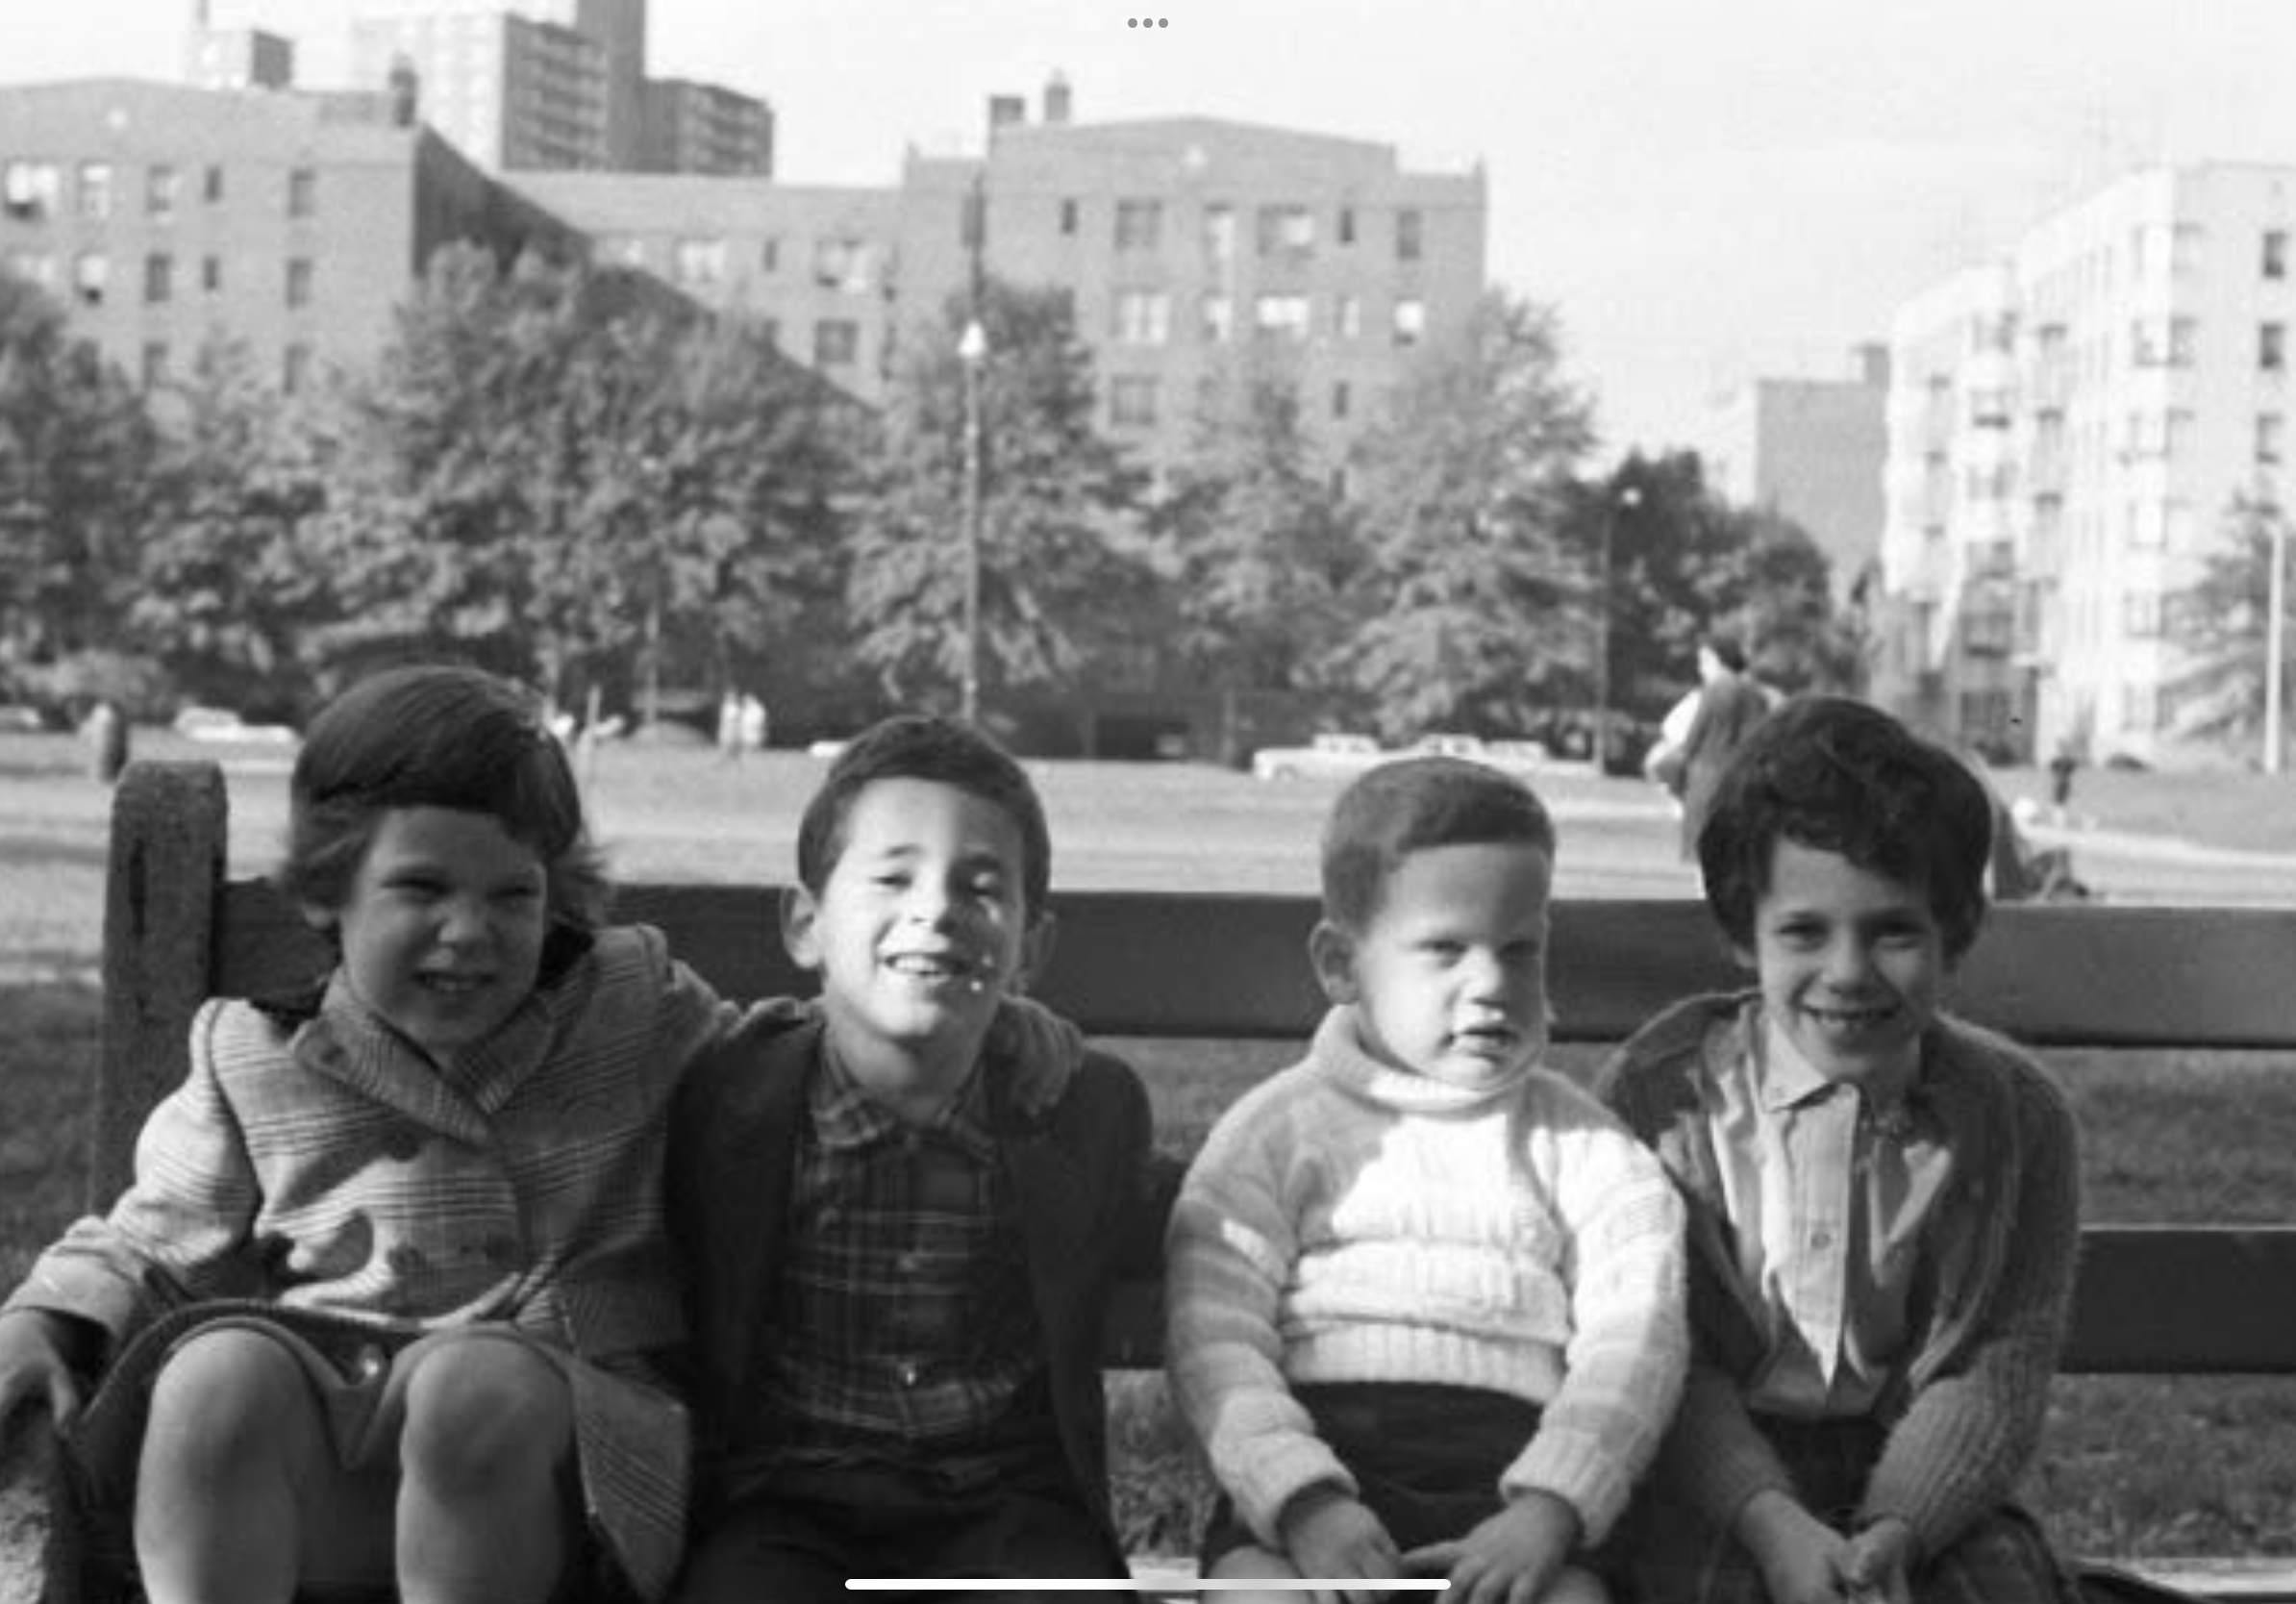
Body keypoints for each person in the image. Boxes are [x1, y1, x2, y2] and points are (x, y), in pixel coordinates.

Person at [0, 664, 734, 1603]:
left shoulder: (630, 1003)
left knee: (469, 1391)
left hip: (559, 1466)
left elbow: (780, 1080)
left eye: (513, 895)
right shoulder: (257, 1055)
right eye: (421, 887)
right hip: (341, 1471)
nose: (469, 931)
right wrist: (43, 1317)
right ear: (324, 891)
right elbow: (151, 1241)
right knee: (215, 1373)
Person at [665, 713, 1172, 1601]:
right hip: (785, 1504)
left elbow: (1197, 1213)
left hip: (1006, 1504)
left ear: (1031, 947)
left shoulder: (1080, 1108)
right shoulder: (726, 1094)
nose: (934, 909)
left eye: (980, 887)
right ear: (806, 924)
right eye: (893, 877)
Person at [1165, 756, 1689, 1604]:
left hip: (1517, 1475)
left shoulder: (1589, 1150)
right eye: (1445, 949)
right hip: (1317, 1469)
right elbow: (1212, 1340)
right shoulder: (1274, 1134)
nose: (1490, 985)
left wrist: (1551, 1508)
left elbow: (1638, 1344)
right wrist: (1303, 1500)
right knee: (1256, 1596)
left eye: (1520, 951)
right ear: (1341, 964)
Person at [1595, 696, 2084, 1604]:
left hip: (1918, 1471)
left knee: (2003, 1592)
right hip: (1713, 1470)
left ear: (1955, 935)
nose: (1849, 971)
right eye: (1804, 932)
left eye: (1894, 930)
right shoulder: (1664, 1098)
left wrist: (1897, 1528)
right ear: (1745, 934)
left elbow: (1994, 1366)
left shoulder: (2017, 1119)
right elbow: (1658, 1351)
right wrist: (1775, 1525)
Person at [1673, 636, 1777, 861]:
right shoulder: (1757, 695)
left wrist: (1677, 775)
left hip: (1706, 776)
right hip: (1742, 777)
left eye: (1704, 661)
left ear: (1718, 660)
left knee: (1704, 854)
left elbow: (1694, 738)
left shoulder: (1715, 690)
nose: (1701, 668)